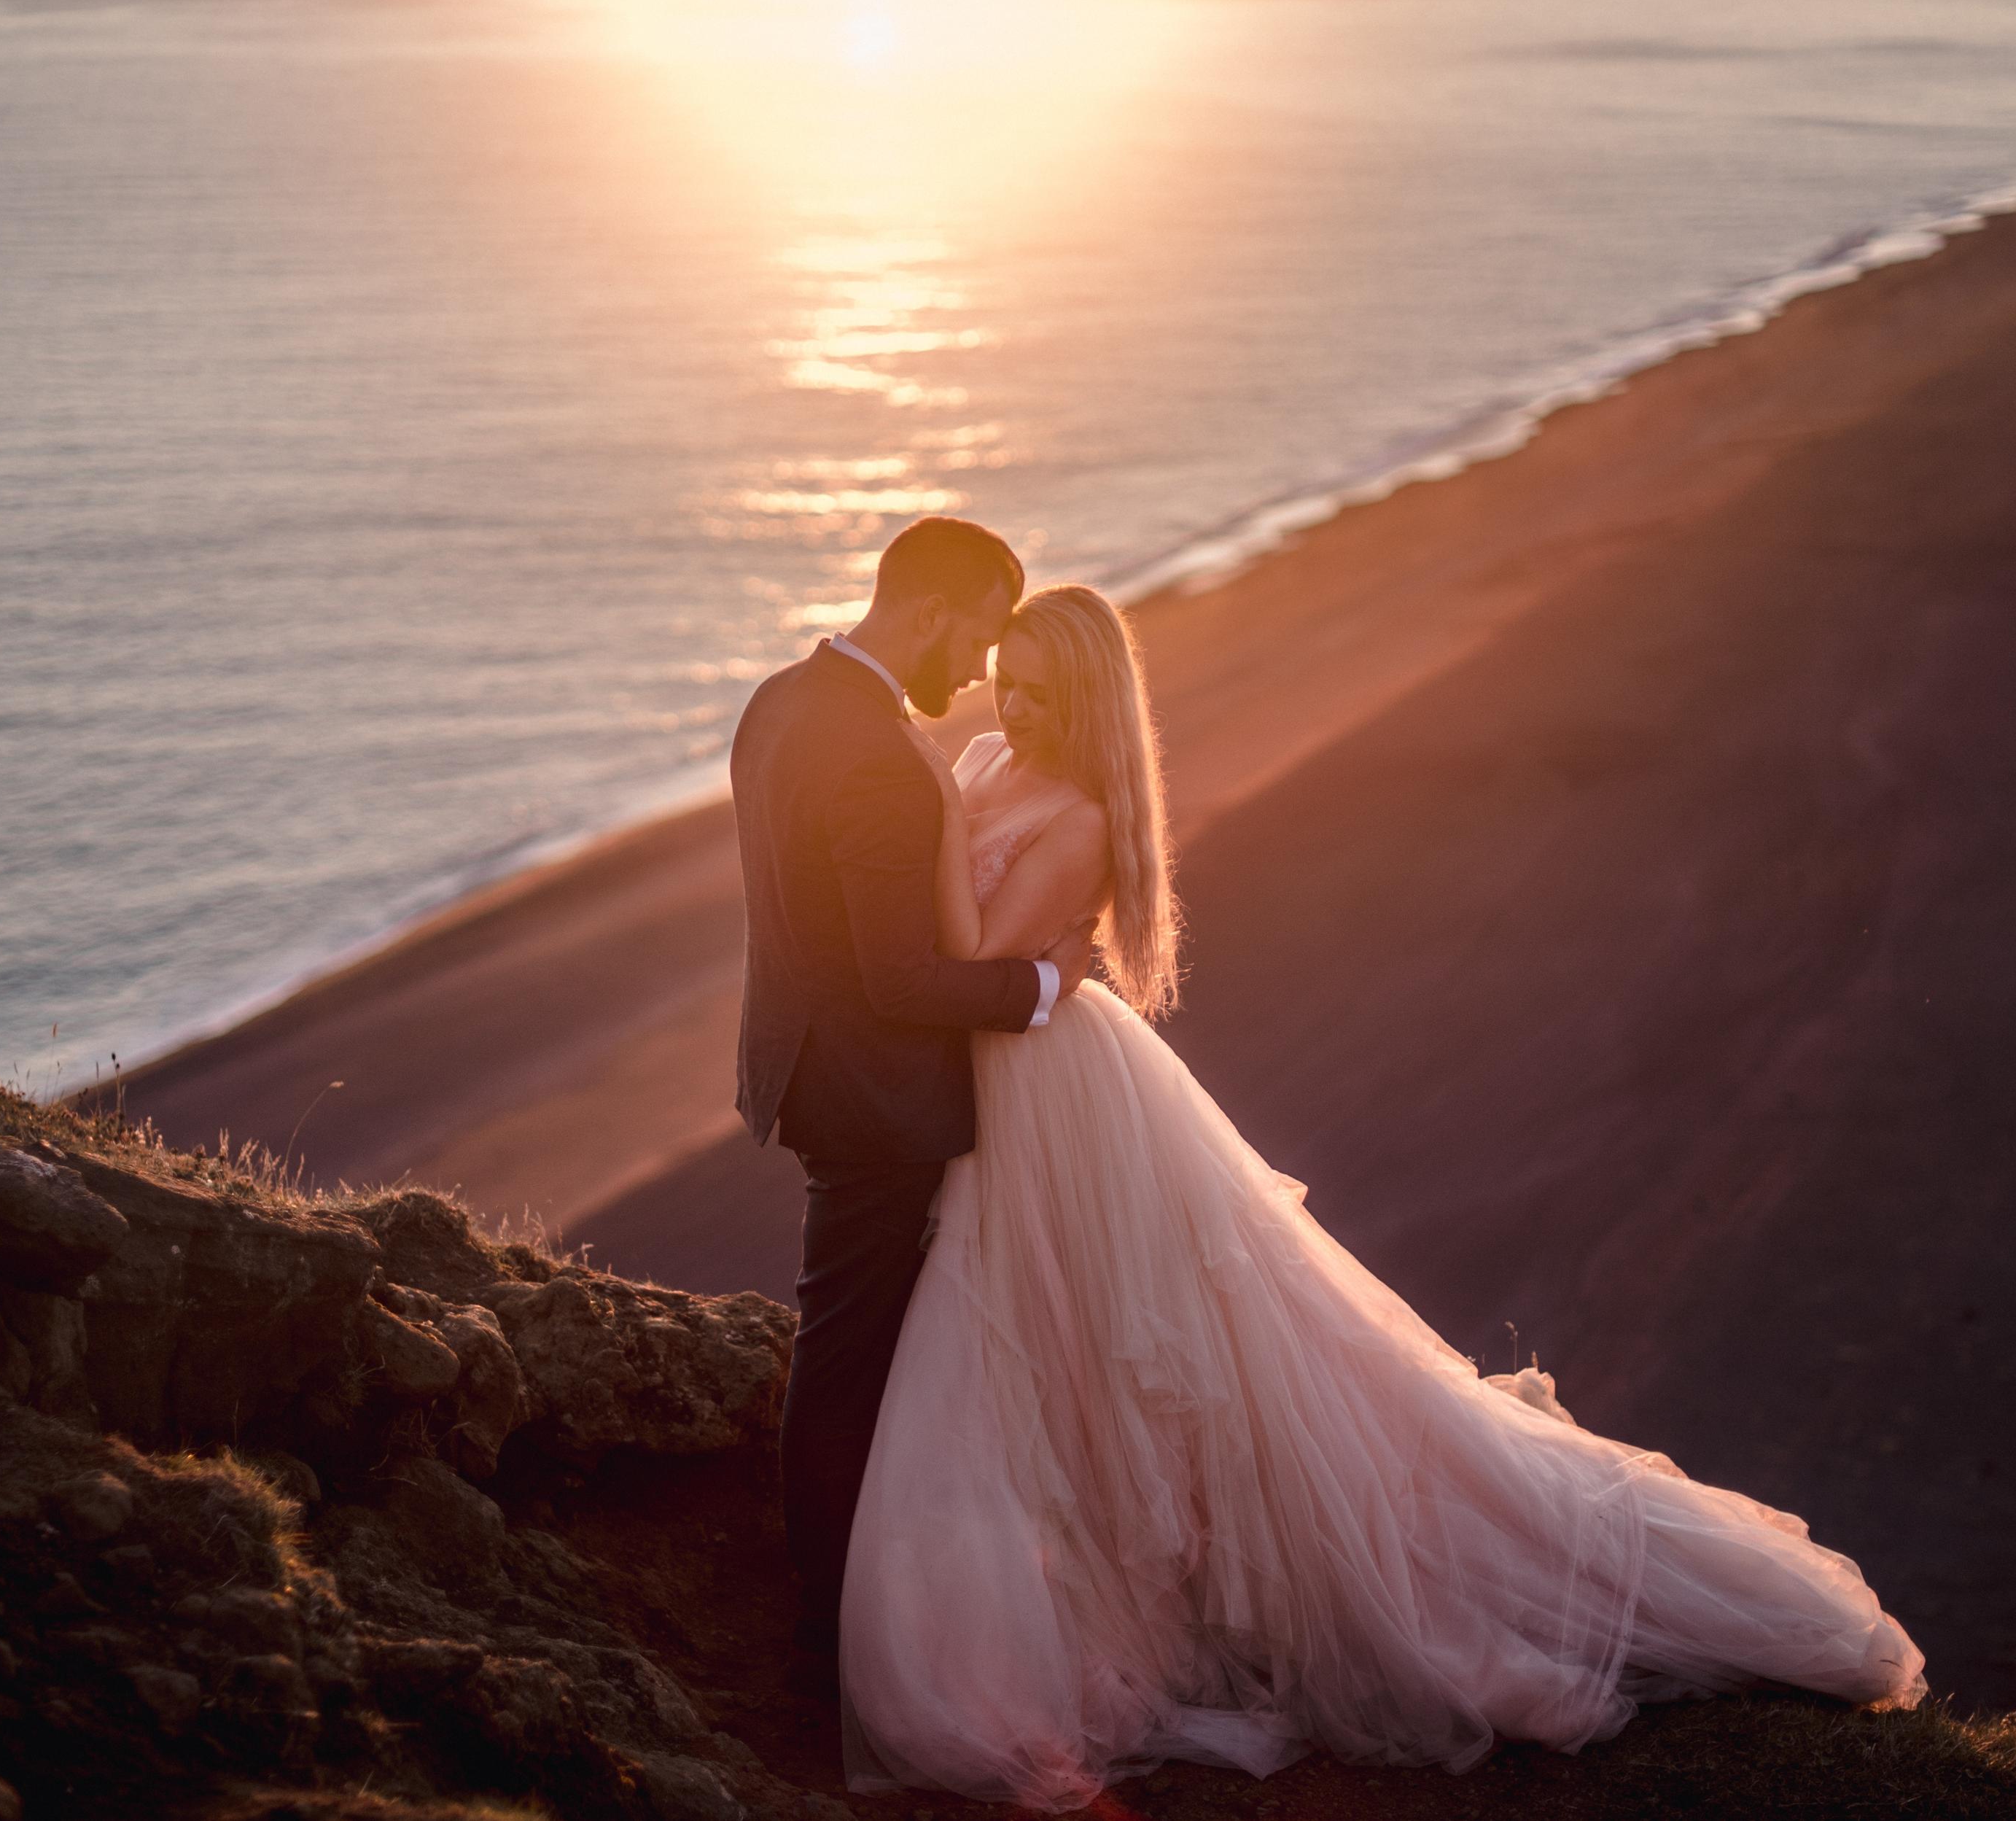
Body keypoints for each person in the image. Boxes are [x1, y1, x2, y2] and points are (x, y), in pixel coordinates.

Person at [833, 578, 1929, 1809]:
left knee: (1142, 1345)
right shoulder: (982, 753)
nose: (1016, 710)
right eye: (1008, 682)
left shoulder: (1081, 814)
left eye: (1044, 694)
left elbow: (976, 962)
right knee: (1052, 1344)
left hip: (1050, 1093)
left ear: (1089, 702)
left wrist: (924, 819)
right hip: (995, 1093)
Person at [728, 516, 1097, 1666]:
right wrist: (1040, 986)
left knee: (859, 1345)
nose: (983, 672)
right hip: (874, 1100)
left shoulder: (780, 700)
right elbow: (900, 980)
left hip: (798, 1066)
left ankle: (862, 1594)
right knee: (849, 1361)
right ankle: (833, 1626)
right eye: (982, 638)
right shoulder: (881, 756)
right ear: (933, 612)